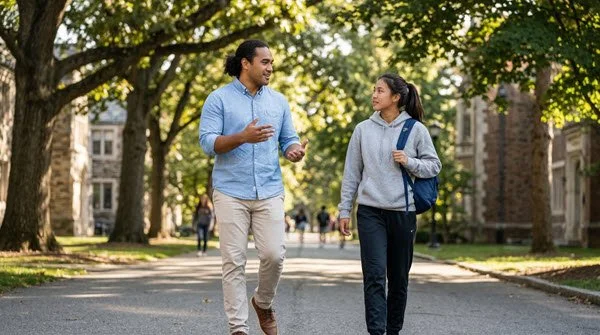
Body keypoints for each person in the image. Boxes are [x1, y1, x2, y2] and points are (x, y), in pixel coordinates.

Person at [199, 39, 307, 335]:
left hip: (269, 189)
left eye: (271, 62)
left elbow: (288, 138)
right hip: (230, 190)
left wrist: (294, 150)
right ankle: (238, 328)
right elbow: (208, 143)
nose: (270, 68)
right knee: (233, 261)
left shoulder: (278, 102)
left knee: (275, 254)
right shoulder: (218, 99)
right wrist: (242, 137)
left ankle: (262, 301)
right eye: (265, 62)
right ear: (246, 63)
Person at [338, 73, 441, 335]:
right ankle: (377, 332)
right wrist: (344, 210)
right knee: (374, 276)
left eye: (380, 91)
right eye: (374, 90)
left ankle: (393, 331)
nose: (374, 95)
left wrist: (409, 161)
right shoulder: (362, 129)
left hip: (403, 213)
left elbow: (434, 165)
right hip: (370, 212)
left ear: (396, 97)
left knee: (398, 281)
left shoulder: (416, 130)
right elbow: (352, 173)